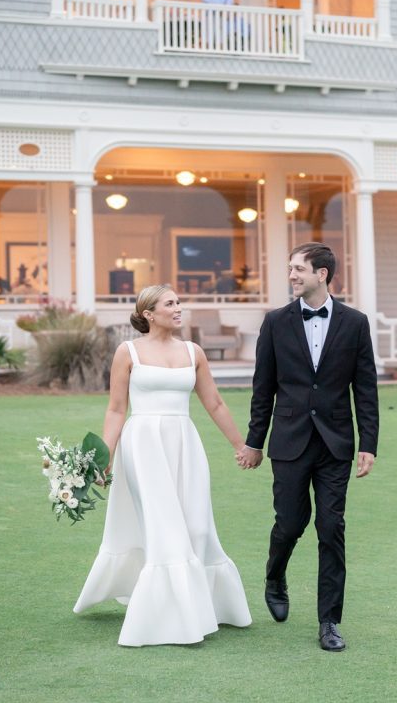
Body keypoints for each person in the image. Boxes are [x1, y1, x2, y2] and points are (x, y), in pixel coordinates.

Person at [74, 284, 251, 647]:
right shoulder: (128, 352)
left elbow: (214, 403)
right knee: (165, 530)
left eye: (178, 302)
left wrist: (241, 445)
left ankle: (206, 604)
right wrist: (105, 456)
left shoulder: (193, 352)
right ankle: (169, 619)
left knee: (198, 528)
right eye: (170, 304)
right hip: (142, 446)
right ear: (148, 314)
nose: (178, 308)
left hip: (185, 443)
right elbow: (116, 408)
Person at [236, 243, 379, 652]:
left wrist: (368, 443)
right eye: (290, 268)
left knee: (331, 528)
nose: (292, 275)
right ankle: (275, 574)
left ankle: (329, 621)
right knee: (290, 524)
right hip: (289, 441)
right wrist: (254, 442)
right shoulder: (276, 322)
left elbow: (365, 388)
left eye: (299, 269)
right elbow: (262, 388)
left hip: (336, 445)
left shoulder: (355, 323)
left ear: (322, 274)